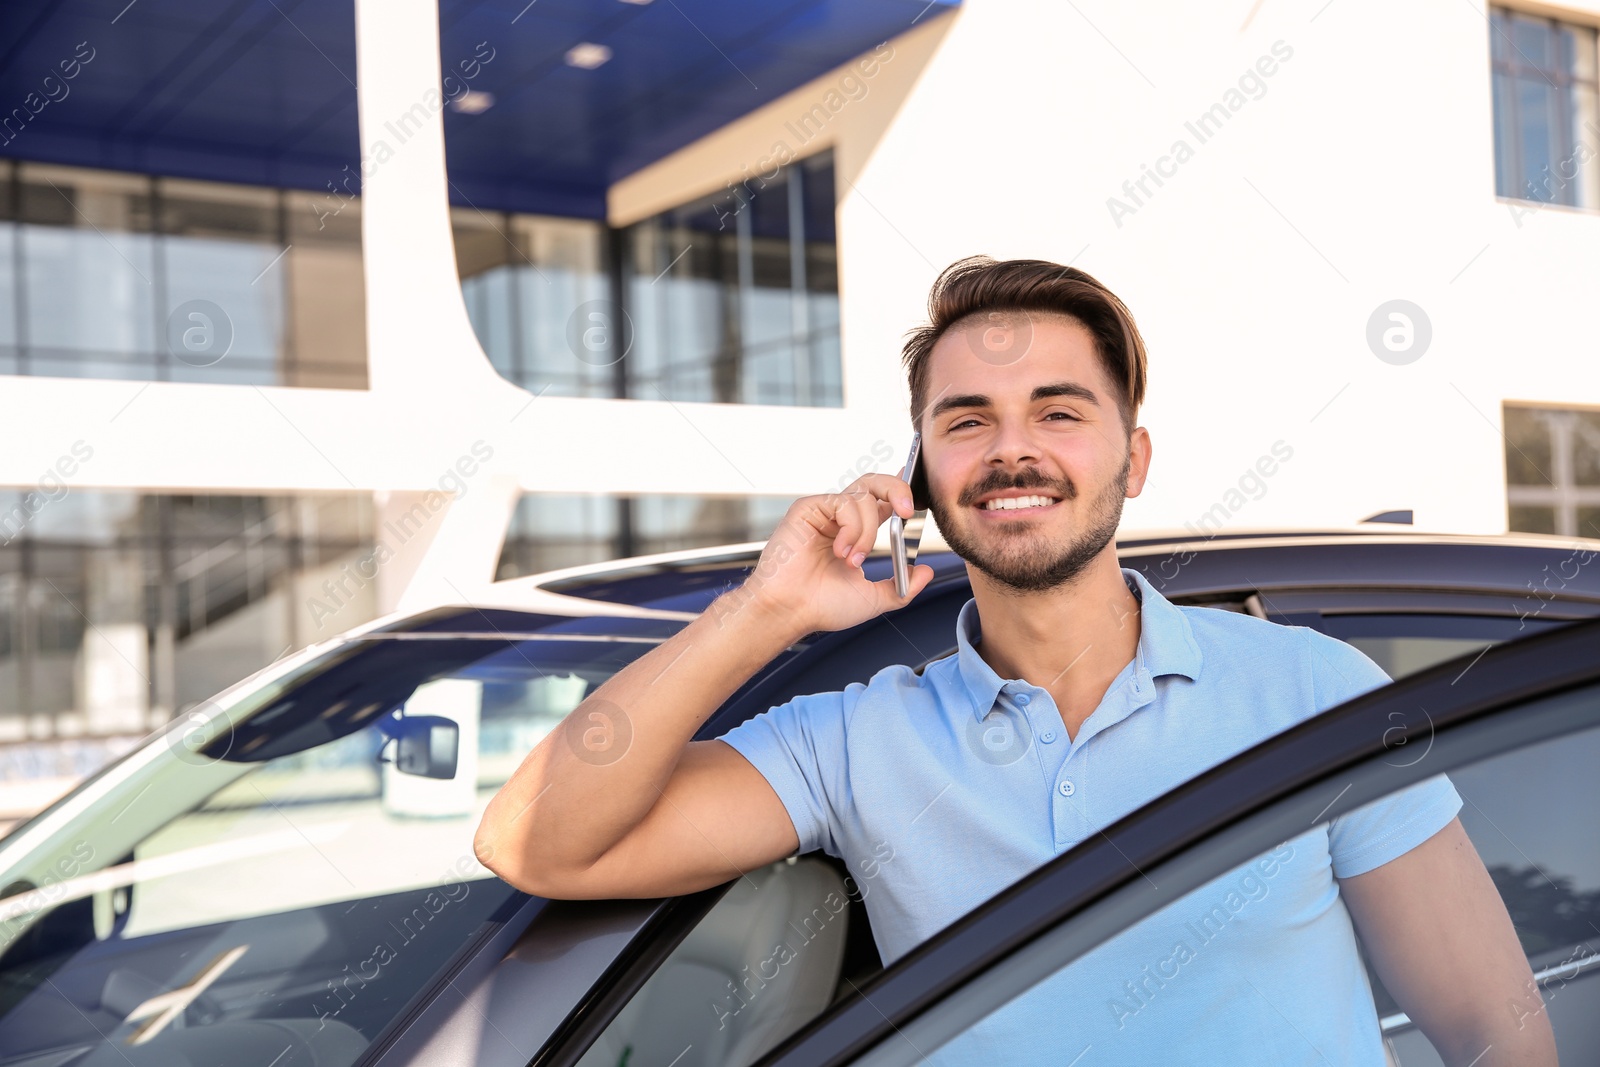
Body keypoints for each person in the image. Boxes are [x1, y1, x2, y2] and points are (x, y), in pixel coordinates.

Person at [475, 256, 1554, 1065]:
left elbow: (1494, 1028)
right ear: (924, 475)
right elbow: (535, 840)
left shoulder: (1313, 691)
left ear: (1131, 458)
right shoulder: (853, 737)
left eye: (1058, 410)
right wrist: (764, 609)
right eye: (966, 420)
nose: (1010, 449)